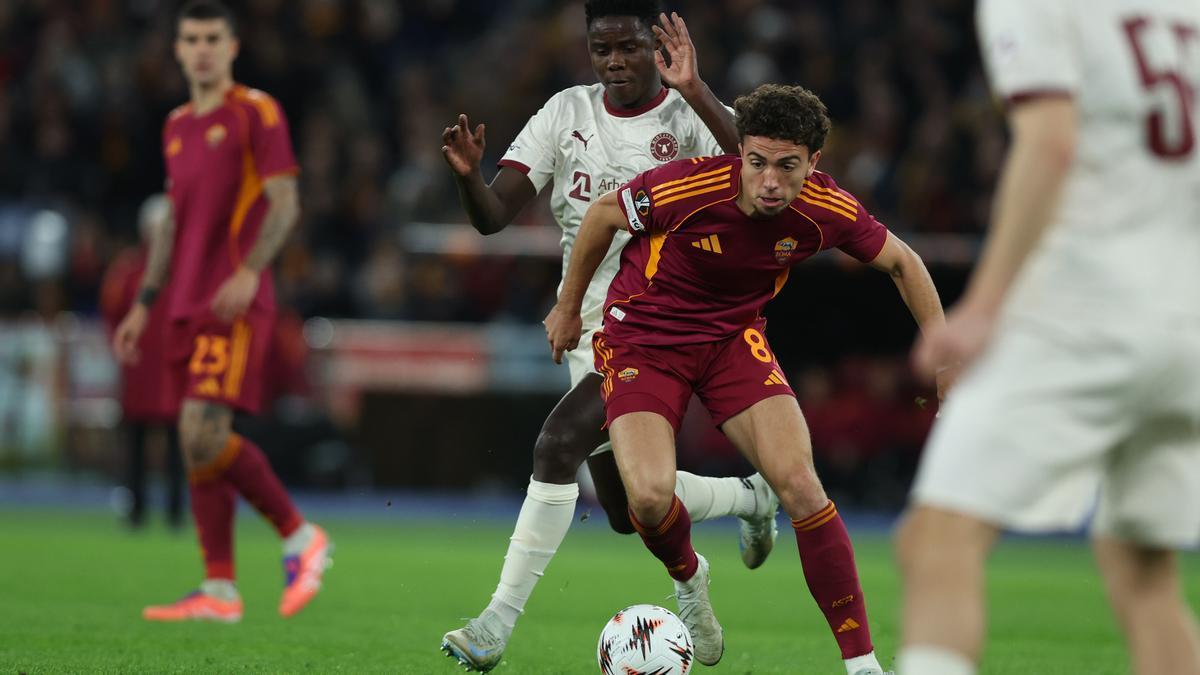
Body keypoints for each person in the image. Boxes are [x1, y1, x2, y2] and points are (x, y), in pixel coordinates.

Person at [545, 83, 948, 674]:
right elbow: (605, 214)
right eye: (756, 162)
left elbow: (903, 263)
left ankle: (862, 665)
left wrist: (946, 361)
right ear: (740, 154)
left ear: (814, 164)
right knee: (650, 499)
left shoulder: (826, 208)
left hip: (732, 342)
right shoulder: (691, 186)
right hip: (644, 341)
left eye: (787, 167)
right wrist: (567, 306)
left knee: (805, 489)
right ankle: (690, 578)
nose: (768, 182)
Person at [439, 2, 782, 671]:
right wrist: (467, 181)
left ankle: (495, 623)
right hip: (587, 326)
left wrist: (695, 89)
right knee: (629, 508)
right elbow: (493, 217)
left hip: (663, 323)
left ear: (656, 46)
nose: (615, 62)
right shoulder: (566, 112)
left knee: (556, 444)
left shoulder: (687, 116)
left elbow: (759, 164)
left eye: (628, 48)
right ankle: (749, 496)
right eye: (602, 50)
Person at [895, 1, 1200, 674]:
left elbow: (1051, 142)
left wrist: (983, 306)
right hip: (1187, 322)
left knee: (937, 540)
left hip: (1084, 308)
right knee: (1145, 572)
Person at [112, 0, 331, 623]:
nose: (202, 48)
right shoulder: (177, 125)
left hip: (235, 301)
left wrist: (249, 271)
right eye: (191, 38)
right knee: (198, 442)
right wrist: (144, 302)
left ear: (232, 46)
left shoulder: (256, 112)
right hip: (182, 303)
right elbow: (174, 224)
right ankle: (219, 588)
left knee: (201, 434)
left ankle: (299, 536)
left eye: (213, 37)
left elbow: (285, 204)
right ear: (178, 50)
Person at [100, 193, 184, 530]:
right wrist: (121, 349)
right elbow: (112, 315)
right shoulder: (128, 270)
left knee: (178, 447)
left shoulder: (182, 271)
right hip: (140, 371)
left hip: (174, 370)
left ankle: (176, 511)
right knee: (135, 443)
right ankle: (137, 510)